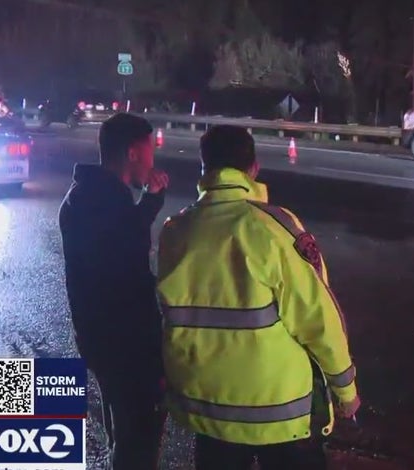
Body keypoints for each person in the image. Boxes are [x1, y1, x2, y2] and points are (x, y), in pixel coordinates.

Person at [156, 125, 360, 470]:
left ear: (204, 167)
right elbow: (317, 317)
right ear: (253, 168)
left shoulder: (174, 231)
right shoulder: (273, 227)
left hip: (208, 413)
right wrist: (346, 391)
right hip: (281, 419)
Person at [59, 113, 170, 469]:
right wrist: (157, 353)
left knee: (124, 433)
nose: (153, 158)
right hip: (125, 346)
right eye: (149, 149)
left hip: (102, 342)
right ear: (133, 154)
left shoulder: (90, 196)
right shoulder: (105, 204)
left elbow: (125, 235)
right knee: (137, 443)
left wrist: (151, 201)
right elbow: (128, 282)